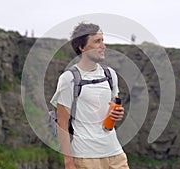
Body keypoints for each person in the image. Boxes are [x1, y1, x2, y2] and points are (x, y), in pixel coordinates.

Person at [50, 22, 129, 169]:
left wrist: (117, 114)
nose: (103, 46)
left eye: (103, 41)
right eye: (97, 41)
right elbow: (62, 123)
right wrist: (69, 162)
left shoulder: (110, 74)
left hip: (115, 153)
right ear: (82, 47)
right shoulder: (69, 79)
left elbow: (110, 111)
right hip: (86, 157)